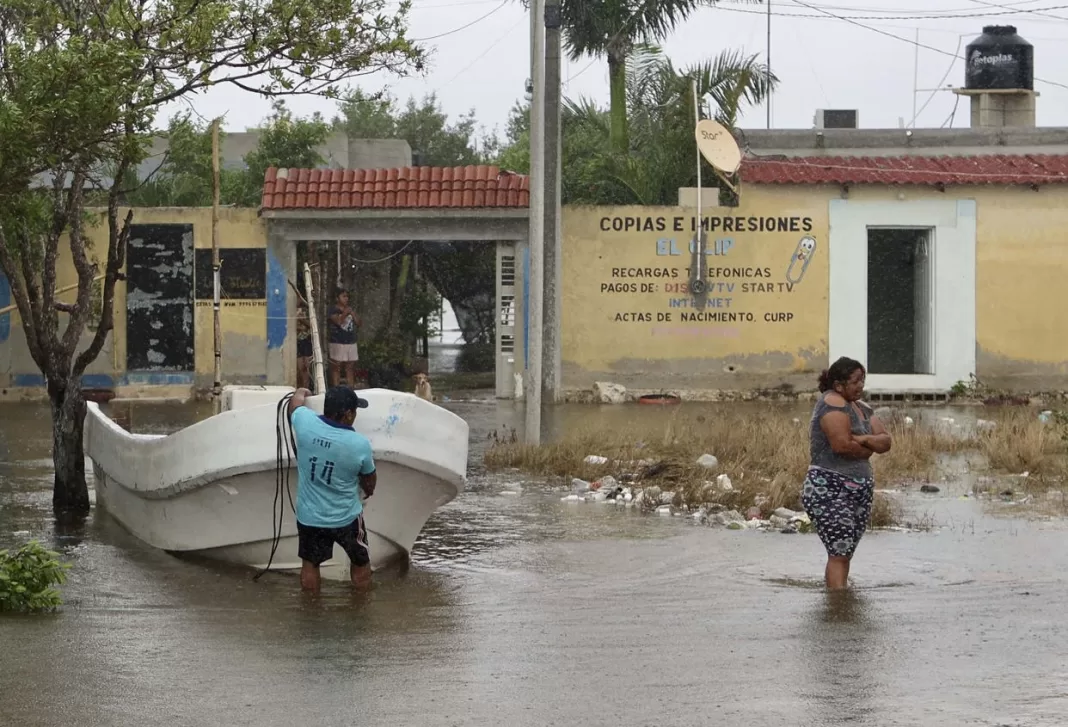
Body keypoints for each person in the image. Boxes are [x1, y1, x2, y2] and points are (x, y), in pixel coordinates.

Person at [801, 356, 892, 590]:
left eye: (863, 380)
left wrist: (863, 439)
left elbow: (886, 443)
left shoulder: (862, 408)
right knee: (839, 552)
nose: (861, 385)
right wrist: (868, 448)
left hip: (859, 488)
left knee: (845, 551)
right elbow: (842, 445)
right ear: (839, 385)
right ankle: (838, 606)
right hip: (829, 487)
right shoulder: (832, 401)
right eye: (856, 381)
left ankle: (839, 600)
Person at [287, 386, 377, 592]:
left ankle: (311, 611)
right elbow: (370, 483)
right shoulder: (359, 444)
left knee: (310, 563)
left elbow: (294, 405)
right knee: (360, 561)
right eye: (354, 411)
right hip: (346, 518)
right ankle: (361, 610)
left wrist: (301, 391)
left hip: (310, 518)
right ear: (347, 415)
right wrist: (366, 490)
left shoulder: (305, 424)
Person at [327, 289, 360, 387]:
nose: (346, 298)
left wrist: (353, 314)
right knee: (336, 367)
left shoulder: (350, 309)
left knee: (350, 367)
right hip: (337, 341)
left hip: (351, 341)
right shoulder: (333, 309)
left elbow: (359, 323)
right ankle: (336, 388)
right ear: (337, 298)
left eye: (347, 296)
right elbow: (338, 322)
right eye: (343, 296)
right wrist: (345, 313)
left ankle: (351, 389)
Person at [296, 305, 313, 391]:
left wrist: (302, 320)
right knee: (299, 368)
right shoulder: (290, 309)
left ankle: (306, 387)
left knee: (306, 367)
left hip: (306, 341)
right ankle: (300, 388)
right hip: (296, 342)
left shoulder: (307, 308)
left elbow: (312, 324)